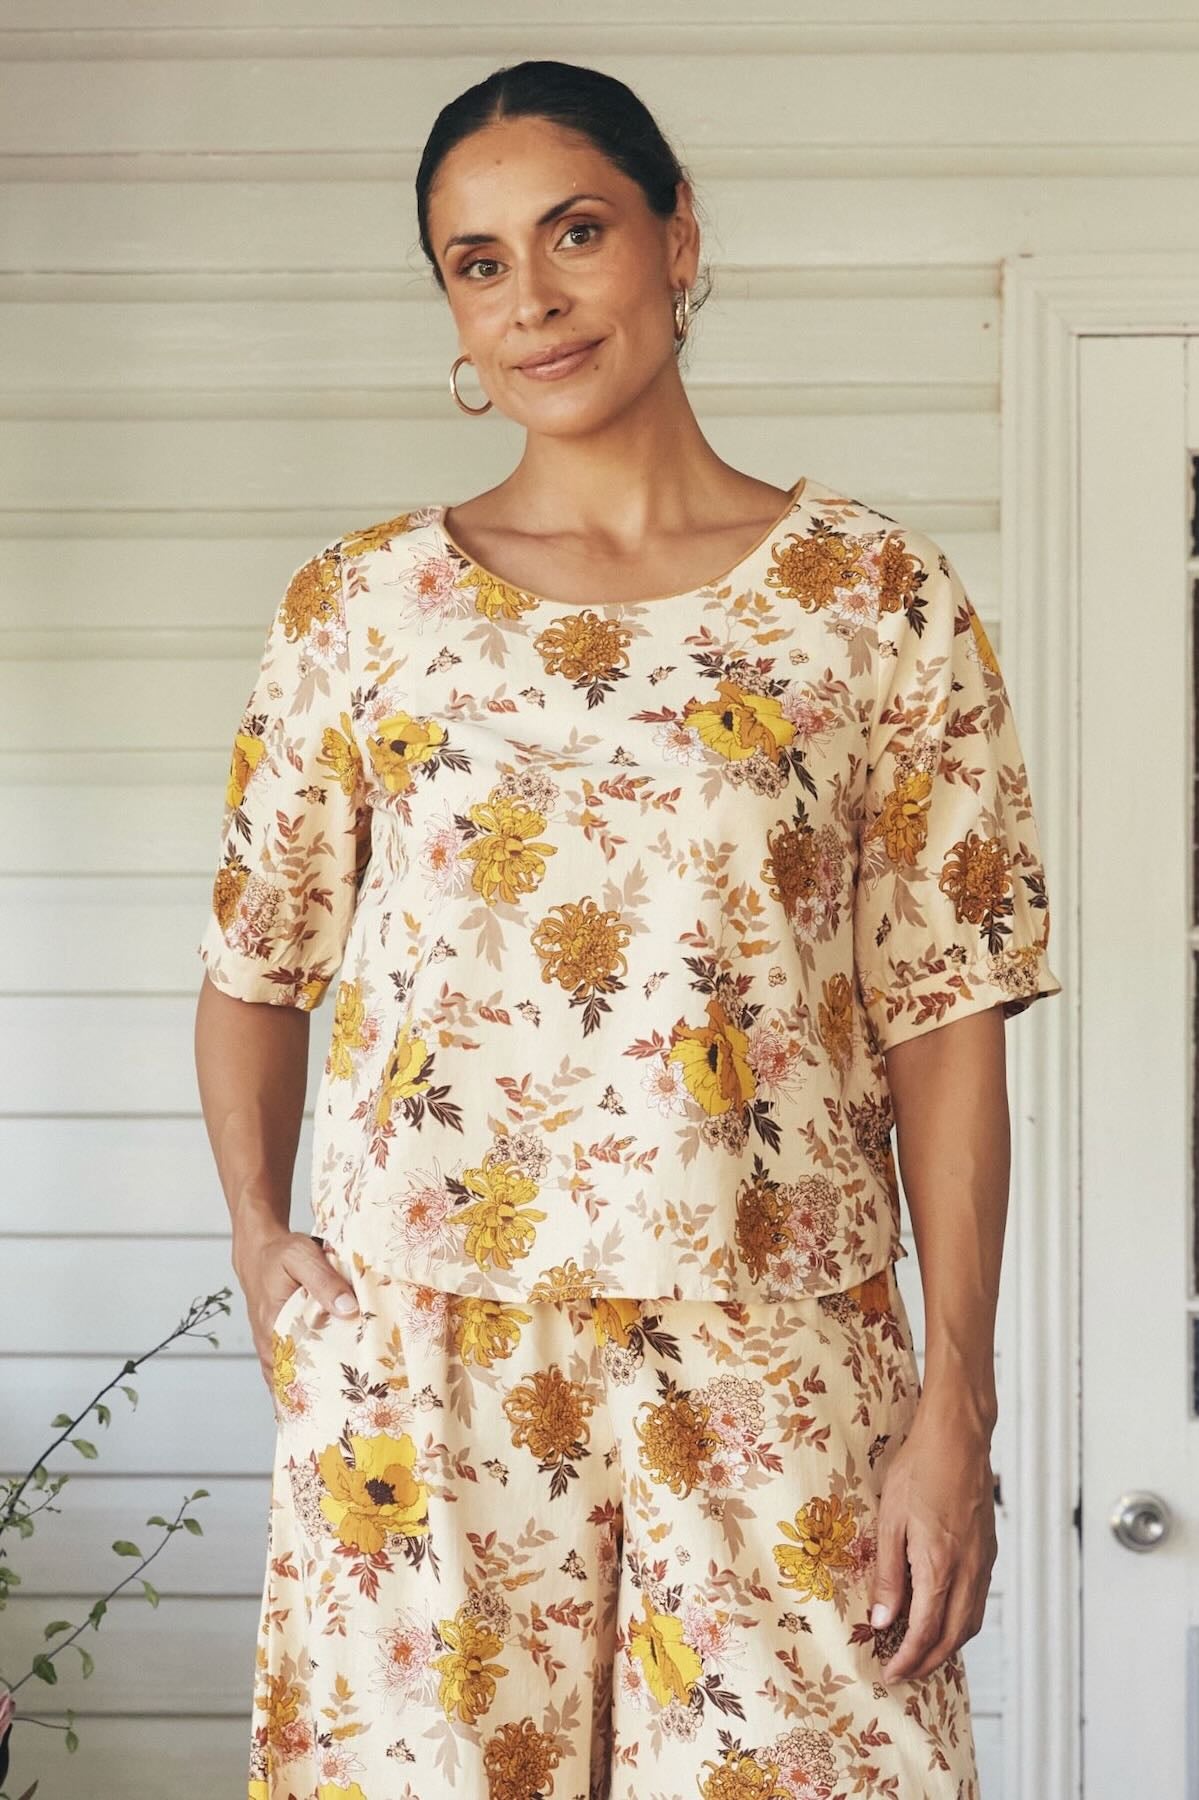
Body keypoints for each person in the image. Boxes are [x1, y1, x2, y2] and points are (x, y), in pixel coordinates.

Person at [193, 57, 1061, 1800]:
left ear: (677, 239)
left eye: (574, 232)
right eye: (480, 262)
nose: (533, 297)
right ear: (455, 310)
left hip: (780, 1348)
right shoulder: (360, 609)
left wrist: (955, 1400)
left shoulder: (874, 599)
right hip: (431, 1363)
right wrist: (260, 1233)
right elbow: (256, 962)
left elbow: (944, 1011)